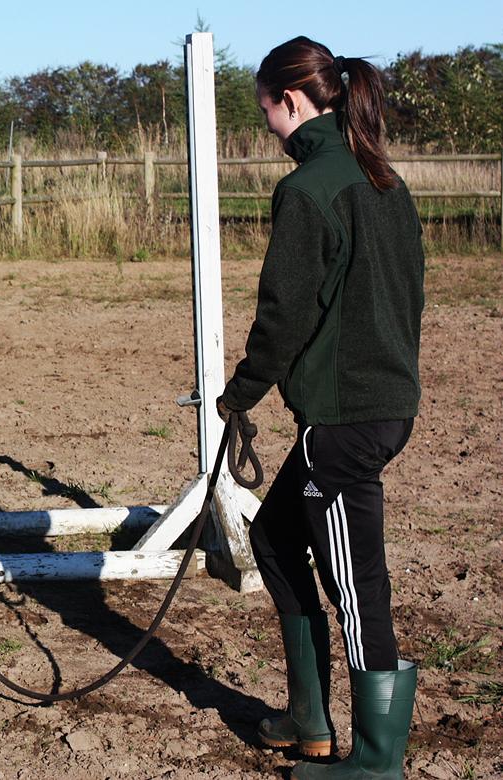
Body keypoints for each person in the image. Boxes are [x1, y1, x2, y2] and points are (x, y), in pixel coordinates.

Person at [216, 36, 424, 779]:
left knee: (357, 584)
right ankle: (309, 720)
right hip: (384, 405)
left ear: (293, 101)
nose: (268, 127)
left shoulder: (308, 190)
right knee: (273, 539)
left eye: (267, 111)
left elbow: (284, 315)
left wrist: (240, 394)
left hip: (344, 421)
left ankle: (375, 761)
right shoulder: (383, 178)